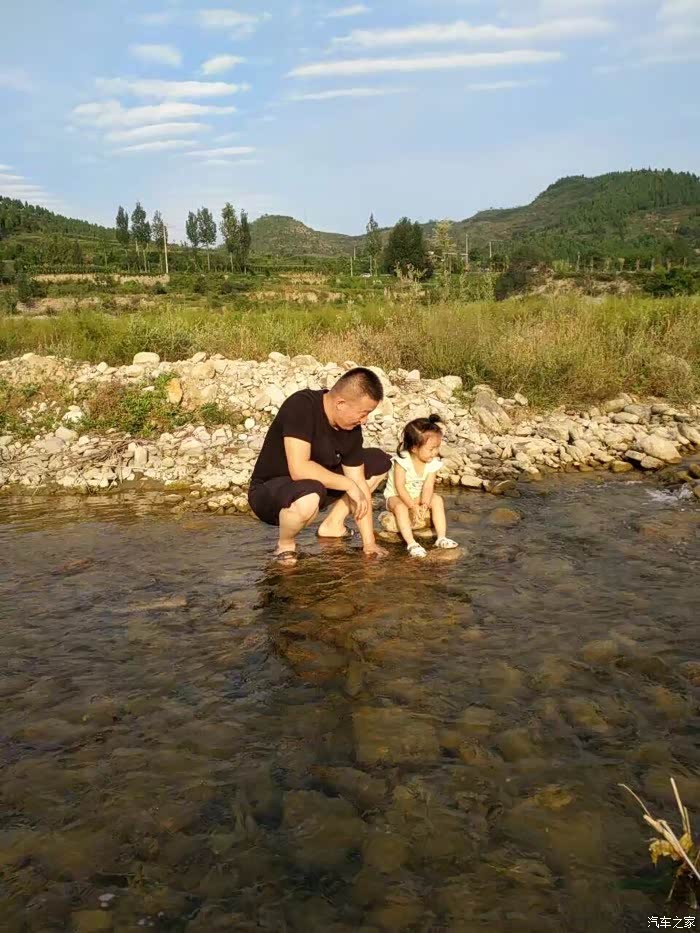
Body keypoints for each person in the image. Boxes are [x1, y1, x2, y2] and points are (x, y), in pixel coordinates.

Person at [248, 367, 391, 563]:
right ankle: (285, 545)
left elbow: (359, 482)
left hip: (315, 489)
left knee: (378, 461)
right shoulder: (301, 406)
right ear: (341, 403)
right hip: (270, 492)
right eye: (363, 413)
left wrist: (369, 543)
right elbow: (299, 469)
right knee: (310, 492)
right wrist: (348, 485)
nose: (364, 421)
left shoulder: (351, 429)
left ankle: (333, 525)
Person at [384, 414, 459, 558]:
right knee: (400, 507)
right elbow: (400, 486)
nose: (435, 453)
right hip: (396, 496)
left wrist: (424, 503)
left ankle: (441, 538)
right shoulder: (403, 461)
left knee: (437, 499)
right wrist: (412, 506)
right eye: (431, 449)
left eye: (437, 448)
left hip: (417, 496)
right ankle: (411, 543)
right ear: (414, 448)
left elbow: (428, 486)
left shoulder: (432, 463)